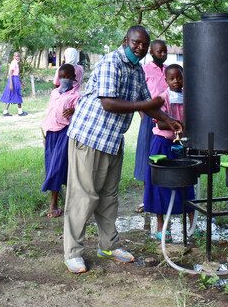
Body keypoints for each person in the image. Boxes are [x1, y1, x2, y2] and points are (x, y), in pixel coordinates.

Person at [62, 26, 183, 274]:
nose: (140, 47)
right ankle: (72, 252)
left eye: (144, 44)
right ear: (125, 41)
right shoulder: (111, 63)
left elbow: (146, 103)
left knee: (108, 196)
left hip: (112, 139)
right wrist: (147, 104)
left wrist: (167, 118)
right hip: (90, 137)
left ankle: (108, 245)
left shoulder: (136, 69)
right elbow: (108, 103)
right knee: (83, 196)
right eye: (136, 42)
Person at [143, 64, 194, 239]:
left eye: (179, 78)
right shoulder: (162, 98)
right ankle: (161, 227)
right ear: (166, 80)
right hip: (162, 143)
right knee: (160, 184)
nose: (176, 81)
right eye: (171, 78)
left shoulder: (188, 98)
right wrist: (178, 123)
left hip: (181, 146)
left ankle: (193, 224)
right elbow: (159, 122)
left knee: (186, 182)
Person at [41, 64, 81, 218]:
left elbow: (81, 114)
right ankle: (57, 199)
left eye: (67, 77)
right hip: (51, 132)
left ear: (73, 78)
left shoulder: (76, 96)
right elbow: (50, 113)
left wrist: (74, 110)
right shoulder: (54, 93)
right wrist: (44, 132)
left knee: (58, 166)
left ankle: (54, 204)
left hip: (65, 133)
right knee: (51, 165)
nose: (64, 80)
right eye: (61, 76)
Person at [133, 39, 168, 213]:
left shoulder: (169, 70)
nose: (162, 54)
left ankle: (164, 197)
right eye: (159, 51)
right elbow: (139, 94)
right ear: (152, 53)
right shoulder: (144, 69)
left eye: (164, 51)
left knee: (163, 156)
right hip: (149, 117)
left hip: (166, 118)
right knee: (148, 156)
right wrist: (143, 114)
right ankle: (147, 199)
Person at [1, 51, 26, 116]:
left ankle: (6, 112)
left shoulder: (16, 63)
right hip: (13, 80)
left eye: (18, 56)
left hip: (16, 79)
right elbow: (10, 74)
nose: (18, 57)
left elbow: (16, 74)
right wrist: (11, 84)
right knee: (14, 94)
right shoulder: (13, 63)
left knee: (15, 94)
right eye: (16, 56)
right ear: (14, 57)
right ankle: (19, 112)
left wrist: (21, 82)